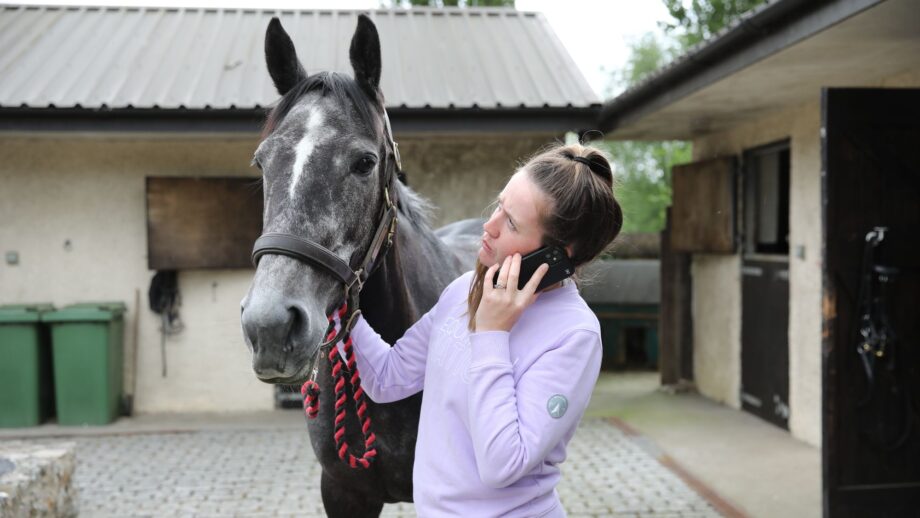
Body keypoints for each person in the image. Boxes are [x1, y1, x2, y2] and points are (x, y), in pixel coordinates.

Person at [349, 142, 623, 517]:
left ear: (560, 254)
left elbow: (502, 465)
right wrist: (340, 308)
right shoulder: (464, 290)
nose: (489, 227)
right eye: (499, 205)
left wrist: (492, 335)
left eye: (511, 223)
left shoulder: (574, 335)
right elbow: (386, 378)